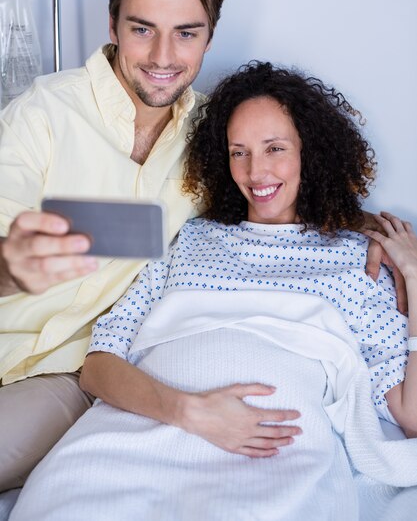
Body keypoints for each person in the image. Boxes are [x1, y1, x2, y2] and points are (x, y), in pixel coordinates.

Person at [10, 62, 417, 521]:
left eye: (275, 148)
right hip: (141, 429)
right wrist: (189, 412)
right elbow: (98, 366)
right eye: (238, 152)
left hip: (270, 445)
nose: (255, 170)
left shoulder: (359, 258)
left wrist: (416, 275)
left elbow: (409, 414)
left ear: (312, 153)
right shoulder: (190, 237)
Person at [0, 0, 226, 491]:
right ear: (112, 25)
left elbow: (282, 189)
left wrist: (358, 225)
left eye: (187, 34)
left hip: (61, 371)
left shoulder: (215, 137)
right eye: (142, 28)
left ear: (209, 36)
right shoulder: (43, 111)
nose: (163, 58)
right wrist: (11, 266)